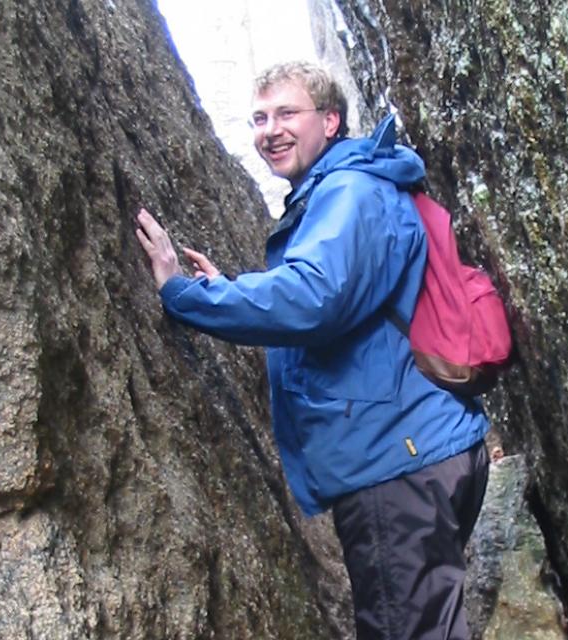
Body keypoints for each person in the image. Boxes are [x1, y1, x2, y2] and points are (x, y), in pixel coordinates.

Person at [134, 61, 490, 640]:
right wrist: (228, 292)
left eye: (286, 113)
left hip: (395, 460)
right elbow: (342, 300)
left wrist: (189, 297)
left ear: (330, 120)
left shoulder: (349, 190)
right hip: (420, 445)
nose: (269, 130)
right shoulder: (350, 187)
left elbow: (313, 297)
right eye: (258, 118)